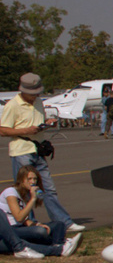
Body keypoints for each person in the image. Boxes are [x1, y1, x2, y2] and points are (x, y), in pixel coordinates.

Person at [1, 73, 82, 235]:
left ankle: (63, 221)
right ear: (23, 91)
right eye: (32, 94)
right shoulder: (13, 105)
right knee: (26, 190)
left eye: (37, 93)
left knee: (48, 188)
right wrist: (26, 130)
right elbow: (3, 130)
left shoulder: (38, 102)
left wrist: (46, 125)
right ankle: (28, 223)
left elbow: (37, 122)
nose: (35, 96)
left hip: (37, 150)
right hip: (21, 150)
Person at [1, 165, 78, 257]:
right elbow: (19, 217)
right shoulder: (11, 192)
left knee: (58, 225)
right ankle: (59, 248)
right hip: (11, 229)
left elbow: (25, 220)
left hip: (21, 227)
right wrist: (33, 199)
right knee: (40, 232)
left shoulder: (26, 195)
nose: (32, 182)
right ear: (21, 180)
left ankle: (59, 244)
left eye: (35, 179)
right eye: (29, 179)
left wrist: (37, 224)